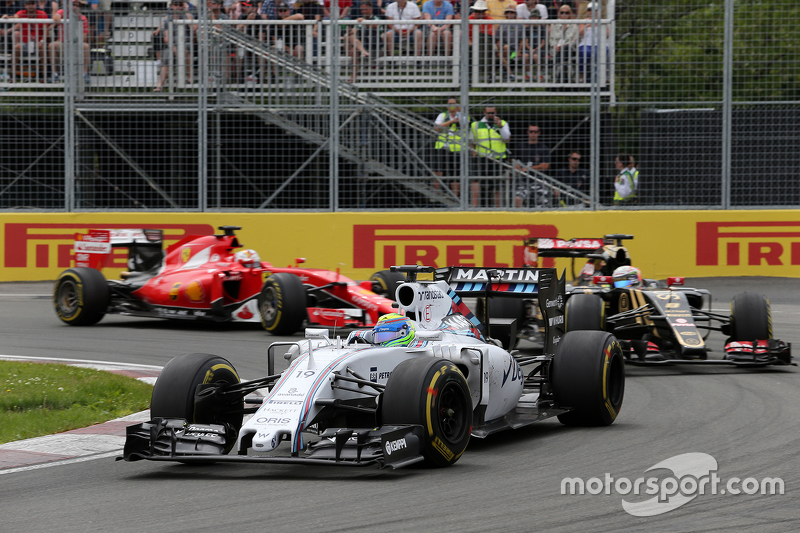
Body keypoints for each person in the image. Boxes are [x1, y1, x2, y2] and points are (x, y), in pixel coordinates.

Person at [470, 106, 510, 207]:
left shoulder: (502, 123)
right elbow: (471, 142)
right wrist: (474, 155)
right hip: (481, 158)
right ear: (484, 112)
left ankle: (498, 208)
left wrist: (500, 127)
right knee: (476, 181)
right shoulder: (476, 125)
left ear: (496, 112)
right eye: (489, 113)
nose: (491, 115)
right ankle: (474, 206)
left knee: (497, 185)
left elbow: (507, 138)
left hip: (497, 158)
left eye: (493, 113)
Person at [153, 0, 194, 92]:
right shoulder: (167, 19)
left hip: (186, 43)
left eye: (180, 5)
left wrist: (186, 12)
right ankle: (160, 85)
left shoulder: (187, 16)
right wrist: (175, 49)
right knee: (167, 55)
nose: (178, 7)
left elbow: (194, 28)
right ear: (171, 6)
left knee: (186, 50)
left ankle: (190, 78)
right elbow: (166, 38)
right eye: (176, 4)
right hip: (172, 45)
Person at [50, 0, 91, 84]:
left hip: (76, 44)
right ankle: (54, 74)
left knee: (86, 46)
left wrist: (74, 41)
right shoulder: (62, 12)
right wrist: (57, 17)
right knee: (52, 45)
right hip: (62, 43)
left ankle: (85, 74)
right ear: (68, 5)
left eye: (78, 5)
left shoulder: (83, 18)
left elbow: (85, 37)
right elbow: (55, 17)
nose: (76, 7)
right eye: (74, 4)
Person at [433, 97, 466, 197]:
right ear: (447, 106)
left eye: (454, 103)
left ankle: (455, 197)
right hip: (442, 146)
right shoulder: (442, 115)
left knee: (455, 173)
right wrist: (450, 122)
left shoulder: (463, 116)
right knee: (438, 169)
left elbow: (464, 124)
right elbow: (436, 128)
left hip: (456, 149)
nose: (452, 105)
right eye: (450, 104)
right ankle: (437, 192)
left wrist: (459, 112)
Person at [512, 123, 550, 208]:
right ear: (527, 132)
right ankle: (522, 220)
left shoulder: (544, 148)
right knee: (518, 199)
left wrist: (528, 168)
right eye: (531, 131)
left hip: (539, 181)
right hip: (524, 181)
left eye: (535, 132)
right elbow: (513, 160)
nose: (533, 134)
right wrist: (517, 166)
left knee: (542, 204)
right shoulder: (520, 146)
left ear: (539, 133)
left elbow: (545, 165)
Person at [344, 0, 383, 82]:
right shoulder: (360, 20)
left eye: (366, 9)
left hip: (375, 49)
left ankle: (363, 52)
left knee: (354, 47)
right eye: (362, 10)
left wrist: (363, 22)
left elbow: (375, 26)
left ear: (371, 9)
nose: (364, 11)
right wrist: (350, 30)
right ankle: (353, 76)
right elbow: (354, 31)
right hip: (363, 48)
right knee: (352, 45)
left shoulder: (376, 19)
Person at [10, 0, 48, 82]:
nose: (30, 5)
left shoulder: (42, 14)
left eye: (32, 3)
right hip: (25, 43)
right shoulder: (22, 12)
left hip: (37, 44)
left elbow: (46, 31)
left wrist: (42, 41)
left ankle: (44, 75)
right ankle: (13, 75)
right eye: (28, 3)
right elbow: (15, 16)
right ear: (25, 5)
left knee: (43, 48)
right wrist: (7, 17)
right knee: (16, 47)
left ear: (36, 4)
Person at [578, 2, 608, 83]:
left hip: (599, 44)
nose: (592, 12)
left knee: (601, 52)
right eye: (589, 10)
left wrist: (599, 26)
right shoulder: (584, 21)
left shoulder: (603, 21)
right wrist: (586, 26)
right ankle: (582, 74)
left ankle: (602, 76)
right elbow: (580, 34)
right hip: (586, 43)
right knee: (585, 52)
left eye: (595, 10)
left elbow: (607, 35)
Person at [494, 5, 526, 81]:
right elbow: (498, 39)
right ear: (505, 14)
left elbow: (522, 39)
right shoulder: (501, 24)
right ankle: (510, 74)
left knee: (504, 50)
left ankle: (507, 71)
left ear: (515, 14)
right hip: (504, 49)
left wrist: (519, 51)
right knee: (502, 51)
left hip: (514, 51)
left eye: (511, 12)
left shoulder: (520, 25)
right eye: (508, 12)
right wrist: (499, 50)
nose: (510, 14)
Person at [548, 2, 578, 82]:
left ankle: (557, 78)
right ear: (559, 13)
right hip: (556, 49)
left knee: (565, 49)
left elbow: (574, 41)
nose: (564, 14)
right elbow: (551, 39)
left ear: (570, 14)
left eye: (567, 12)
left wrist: (565, 45)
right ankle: (567, 79)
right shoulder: (554, 24)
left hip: (570, 48)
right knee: (563, 54)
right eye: (562, 12)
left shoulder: (574, 25)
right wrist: (555, 46)